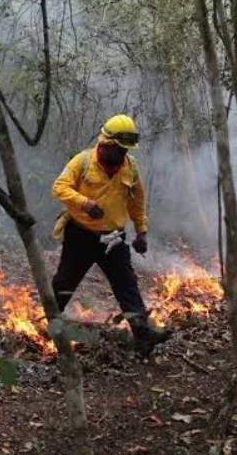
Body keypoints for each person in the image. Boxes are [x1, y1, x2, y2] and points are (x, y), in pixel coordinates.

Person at [51, 114, 171, 356]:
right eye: (118, 150)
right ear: (105, 144)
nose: (122, 155)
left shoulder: (131, 167)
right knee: (65, 282)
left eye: (125, 150)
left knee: (126, 285)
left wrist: (142, 232)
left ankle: (142, 334)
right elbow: (59, 187)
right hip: (81, 236)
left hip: (113, 239)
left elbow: (137, 203)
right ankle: (48, 320)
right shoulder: (82, 161)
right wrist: (85, 203)